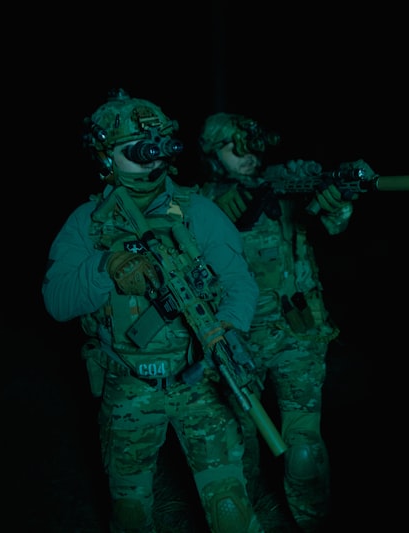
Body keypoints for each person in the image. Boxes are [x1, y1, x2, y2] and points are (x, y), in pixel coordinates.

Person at [42, 90, 264, 533]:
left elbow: (240, 282)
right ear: (105, 155)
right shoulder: (87, 222)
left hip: (198, 382)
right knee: (131, 516)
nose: (151, 156)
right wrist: (105, 267)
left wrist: (226, 326)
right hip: (128, 385)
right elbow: (57, 301)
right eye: (136, 149)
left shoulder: (198, 211)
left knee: (231, 512)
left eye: (158, 144)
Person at [197, 112, 375, 532]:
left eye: (248, 143)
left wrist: (338, 199)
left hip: (295, 333)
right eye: (230, 146)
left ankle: (313, 522)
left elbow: (334, 221)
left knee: (304, 449)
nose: (244, 154)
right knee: (238, 446)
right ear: (212, 155)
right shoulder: (200, 201)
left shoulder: (285, 183)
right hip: (233, 339)